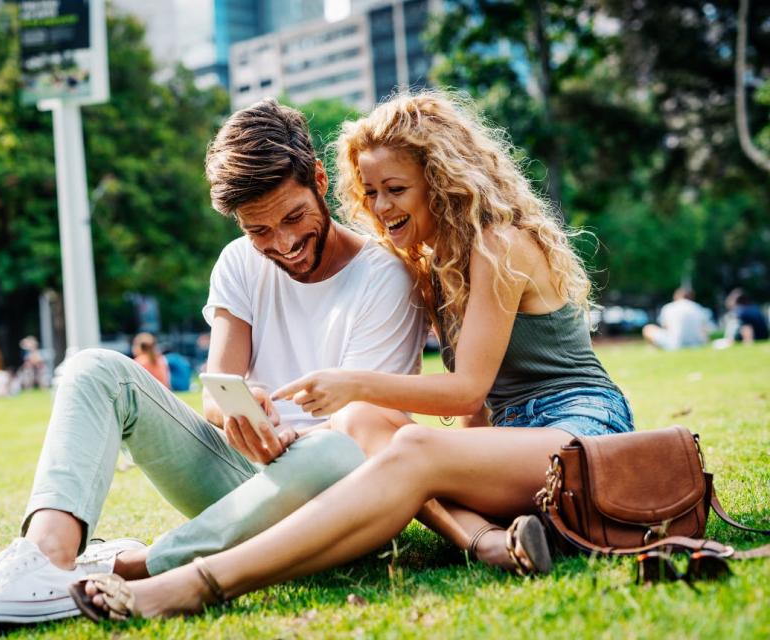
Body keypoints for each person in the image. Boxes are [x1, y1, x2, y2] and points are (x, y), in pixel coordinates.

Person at [69, 91, 636, 621]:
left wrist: (353, 384)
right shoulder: (436, 263)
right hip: (516, 439)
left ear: (438, 181)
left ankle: (192, 582)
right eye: (370, 192)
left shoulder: (497, 243)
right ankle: (485, 542)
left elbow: (466, 389)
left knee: (396, 434)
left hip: (581, 430)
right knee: (372, 426)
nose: (381, 207)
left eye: (397, 189)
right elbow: (478, 412)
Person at [0, 99, 427, 636]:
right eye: (259, 230)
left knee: (333, 449)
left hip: (341, 498)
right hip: (243, 480)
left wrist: (296, 436)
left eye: (293, 217)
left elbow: (370, 436)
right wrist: (241, 411)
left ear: (319, 180)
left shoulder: (384, 275)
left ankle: (130, 568)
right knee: (94, 369)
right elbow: (215, 393)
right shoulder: (238, 263)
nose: (284, 243)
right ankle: (46, 560)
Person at [642, 287, 711, 350]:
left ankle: (653, 350)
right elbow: (704, 329)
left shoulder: (669, 307)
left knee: (648, 329)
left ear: (676, 296)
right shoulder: (698, 307)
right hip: (697, 343)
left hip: (676, 344)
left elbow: (666, 327)